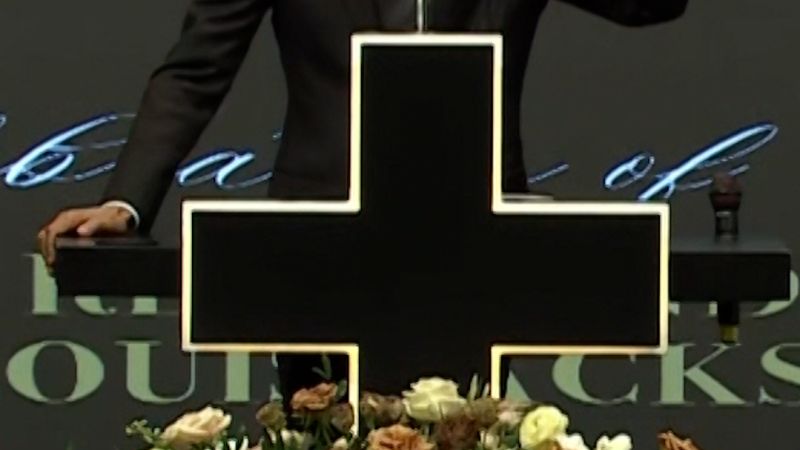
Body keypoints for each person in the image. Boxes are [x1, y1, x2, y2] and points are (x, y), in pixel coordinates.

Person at [37, 0, 688, 403]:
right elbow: (195, 68)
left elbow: (651, 4)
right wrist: (125, 202)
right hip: (321, 247)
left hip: (474, 251)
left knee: (463, 430)